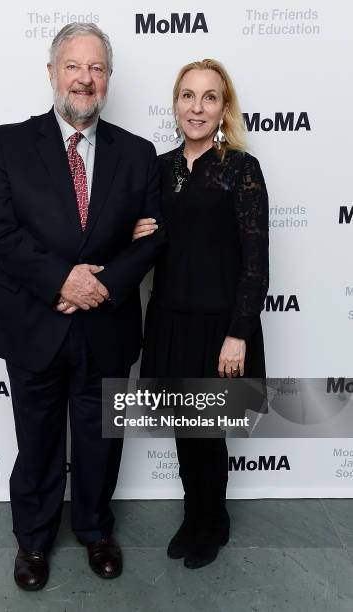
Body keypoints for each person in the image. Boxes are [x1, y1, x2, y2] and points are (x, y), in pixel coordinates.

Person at [0, 22, 165, 590]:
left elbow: (152, 238)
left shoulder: (137, 153)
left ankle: (94, 529)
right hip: (35, 320)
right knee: (35, 439)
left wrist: (99, 286)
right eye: (74, 67)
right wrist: (63, 281)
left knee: (98, 438)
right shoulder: (8, 142)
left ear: (108, 79)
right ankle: (32, 541)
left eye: (97, 68)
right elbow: (0, 233)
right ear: (53, 72)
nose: (85, 79)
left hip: (105, 325)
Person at [134, 59, 269, 569]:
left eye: (209, 97)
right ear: (175, 104)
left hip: (219, 325)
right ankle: (196, 515)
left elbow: (256, 260)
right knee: (183, 429)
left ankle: (211, 519)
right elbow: (150, 239)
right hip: (168, 317)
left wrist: (238, 333)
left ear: (223, 108)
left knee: (208, 432)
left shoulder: (241, 168)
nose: (197, 107)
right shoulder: (160, 167)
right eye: (188, 96)